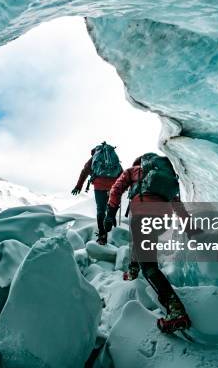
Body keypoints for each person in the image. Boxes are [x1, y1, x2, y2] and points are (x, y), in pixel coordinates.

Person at [103, 153, 192, 333]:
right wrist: (189, 226)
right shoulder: (165, 176)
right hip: (161, 217)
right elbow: (176, 202)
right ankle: (133, 270)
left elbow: (116, 188)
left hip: (142, 212)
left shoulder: (134, 171)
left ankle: (176, 311)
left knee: (149, 266)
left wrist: (110, 213)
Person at [72, 142, 122, 245]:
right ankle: (110, 218)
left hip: (99, 187)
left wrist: (78, 186)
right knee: (112, 206)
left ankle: (102, 236)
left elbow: (84, 171)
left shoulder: (94, 158)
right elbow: (122, 173)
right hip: (113, 186)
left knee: (100, 210)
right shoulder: (113, 157)